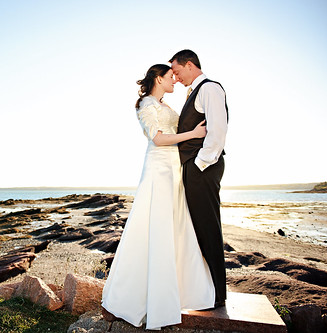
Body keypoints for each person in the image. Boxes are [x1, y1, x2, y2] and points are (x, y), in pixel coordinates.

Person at [101, 64, 215, 330]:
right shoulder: (146, 105)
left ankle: (181, 293)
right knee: (157, 228)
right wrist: (195, 134)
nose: (174, 79)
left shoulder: (165, 104)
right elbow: (159, 139)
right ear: (158, 78)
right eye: (170, 76)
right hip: (159, 170)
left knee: (176, 228)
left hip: (174, 170)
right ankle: (145, 300)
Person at [169, 50, 228, 307]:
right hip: (194, 168)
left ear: (190, 65)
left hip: (202, 168)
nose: (176, 76)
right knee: (197, 228)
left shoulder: (210, 89)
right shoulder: (194, 91)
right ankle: (206, 289)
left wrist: (198, 164)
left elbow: (217, 131)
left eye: (178, 71)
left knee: (208, 227)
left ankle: (217, 294)